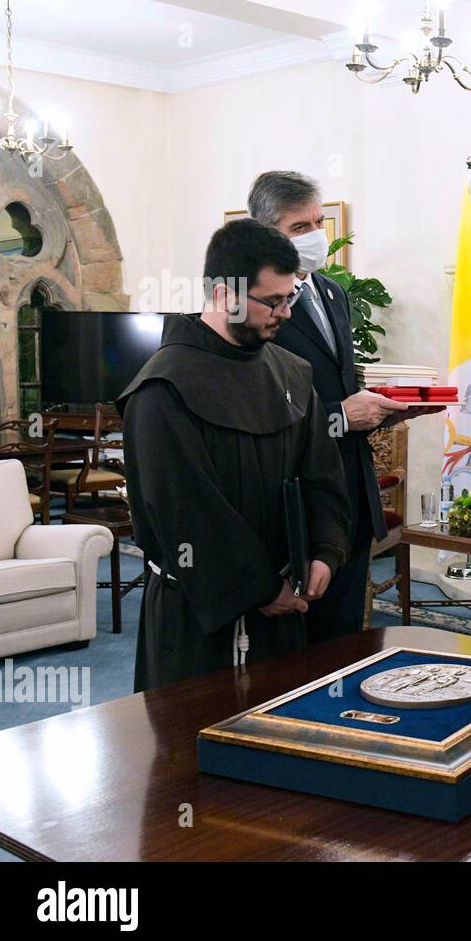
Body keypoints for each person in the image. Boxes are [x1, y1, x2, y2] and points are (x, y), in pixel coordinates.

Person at [118, 219, 352, 690]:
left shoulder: (292, 373)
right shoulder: (163, 388)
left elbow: (323, 477)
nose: (285, 313)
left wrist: (325, 552)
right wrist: (260, 589)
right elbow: (186, 510)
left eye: (291, 298)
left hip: (284, 609)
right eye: (273, 301)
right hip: (199, 620)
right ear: (225, 294)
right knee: (190, 751)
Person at [248, 171, 438, 641]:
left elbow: (341, 384)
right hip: (294, 501)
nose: (315, 237)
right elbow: (259, 410)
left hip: (350, 495)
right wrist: (338, 417)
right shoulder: (251, 306)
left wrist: (384, 409)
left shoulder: (332, 292)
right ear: (266, 234)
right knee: (294, 651)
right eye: (299, 228)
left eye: (318, 223)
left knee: (346, 639)